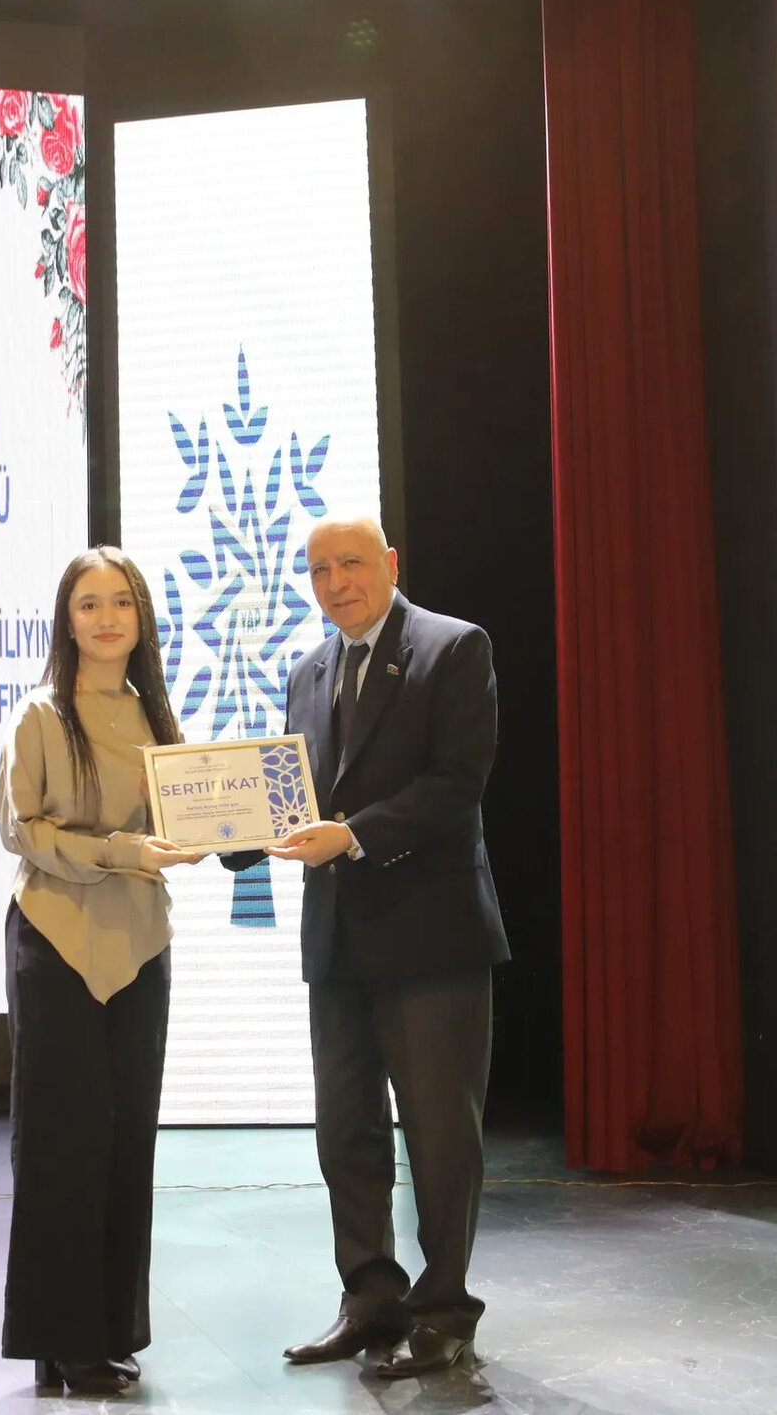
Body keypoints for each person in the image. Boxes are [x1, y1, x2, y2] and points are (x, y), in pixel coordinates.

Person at [256, 515, 509, 1378]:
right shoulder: (306, 671)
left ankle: (444, 1310)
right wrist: (225, 830)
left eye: (351, 563)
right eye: (319, 570)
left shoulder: (452, 647)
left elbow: (457, 781)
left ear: (390, 562)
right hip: (337, 942)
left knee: (439, 1139)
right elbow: (290, 801)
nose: (336, 583)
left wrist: (354, 835)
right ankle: (370, 1296)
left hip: (432, 941)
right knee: (346, 1132)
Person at [0, 545, 203, 1397]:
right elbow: (24, 831)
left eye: (121, 602)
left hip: (141, 946)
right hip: (58, 944)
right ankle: (61, 1341)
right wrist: (122, 850)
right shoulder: (38, 715)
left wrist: (219, 832)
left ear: (141, 617)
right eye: (88, 604)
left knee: (125, 1140)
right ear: (66, 620)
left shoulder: (155, 713)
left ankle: (105, 1331)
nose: (106, 617)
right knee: (61, 1144)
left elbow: (182, 818)